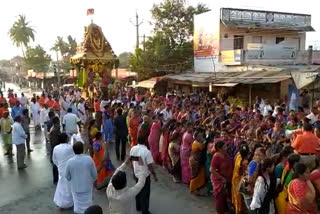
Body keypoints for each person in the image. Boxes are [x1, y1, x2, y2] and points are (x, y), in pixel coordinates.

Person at [65, 142, 97, 214]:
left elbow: (67, 176)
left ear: (74, 150)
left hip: (75, 188)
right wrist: (92, 180)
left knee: (77, 207)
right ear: (82, 149)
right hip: (87, 187)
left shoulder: (70, 162)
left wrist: (72, 179)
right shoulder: (89, 159)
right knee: (88, 206)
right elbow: (94, 175)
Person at [130, 136, 158, 214]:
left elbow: (132, 162)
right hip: (145, 176)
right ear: (145, 141)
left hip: (136, 174)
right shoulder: (146, 152)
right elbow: (150, 166)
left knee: (138, 190)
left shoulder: (133, 149)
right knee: (145, 193)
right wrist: (154, 175)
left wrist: (133, 172)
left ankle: (138, 206)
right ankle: (145, 210)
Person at [52, 133, 75, 209]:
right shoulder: (70, 148)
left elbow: (54, 160)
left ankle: (61, 202)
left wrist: (59, 166)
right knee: (69, 186)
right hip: (69, 169)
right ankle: (70, 202)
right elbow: (74, 157)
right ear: (66, 139)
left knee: (62, 185)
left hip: (61, 169)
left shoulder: (56, 148)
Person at [210, 141, 233, 214]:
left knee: (226, 196)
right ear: (220, 149)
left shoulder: (225, 154)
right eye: (225, 147)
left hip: (227, 179)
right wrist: (221, 178)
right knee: (220, 197)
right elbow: (212, 170)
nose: (226, 148)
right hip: (219, 180)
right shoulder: (216, 156)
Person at [231, 144, 250, 214]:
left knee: (236, 195)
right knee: (239, 197)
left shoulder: (238, 157)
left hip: (235, 178)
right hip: (239, 180)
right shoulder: (245, 162)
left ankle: (236, 209)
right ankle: (238, 211)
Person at [189, 131, 206, 195]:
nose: (200, 137)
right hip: (195, 161)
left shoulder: (197, 142)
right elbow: (202, 147)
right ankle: (192, 188)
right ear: (195, 137)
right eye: (199, 136)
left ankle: (197, 188)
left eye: (201, 135)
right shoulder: (196, 143)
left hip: (197, 160)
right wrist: (204, 140)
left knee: (199, 174)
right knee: (195, 175)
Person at [50, 116, 62, 184]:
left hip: (55, 148)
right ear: (57, 121)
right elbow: (57, 140)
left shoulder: (54, 128)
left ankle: (56, 179)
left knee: (56, 164)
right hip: (56, 147)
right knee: (56, 165)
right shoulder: (55, 129)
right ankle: (56, 179)